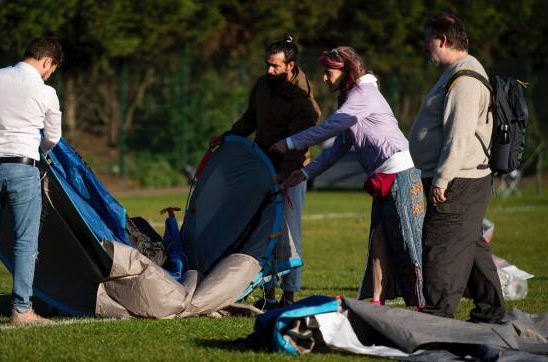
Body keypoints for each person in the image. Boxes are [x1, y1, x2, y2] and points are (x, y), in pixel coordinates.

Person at [271, 47, 425, 308]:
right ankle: (377, 301)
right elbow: (341, 144)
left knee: (409, 240)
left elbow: (331, 127)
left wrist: (290, 142)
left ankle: (425, 302)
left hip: (400, 173)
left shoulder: (363, 94)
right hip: (381, 177)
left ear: (347, 71)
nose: (324, 78)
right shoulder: (351, 98)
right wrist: (306, 172)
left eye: (329, 72)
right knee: (378, 240)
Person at [209, 34, 320, 309]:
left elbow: (298, 145)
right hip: (262, 168)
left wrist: (284, 176)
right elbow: (250, 119)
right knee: (263, 230)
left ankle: (289, 294)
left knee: (288, 233)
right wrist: (229, 136)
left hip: (291, 174)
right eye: (267, 65)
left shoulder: (303, 99)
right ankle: (267, 292)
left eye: (276, 66)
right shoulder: (262, 85)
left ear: (291, 66)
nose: (269, 71)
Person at [410, 13, 505, 322]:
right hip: (464, 178)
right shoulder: (456, 72)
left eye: (429, 41)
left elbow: (459, 134)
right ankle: (491, 311)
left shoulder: (464, 78)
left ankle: (437, 318)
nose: (426, 48)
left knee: (442, 247)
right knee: (470, 245)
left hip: (458, 180)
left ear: (444, 40)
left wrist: (442, 178)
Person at [0, 36, 63, 324]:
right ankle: (21, 309)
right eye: (52, 69)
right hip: (23, 168)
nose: (49, 74)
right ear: (47, 62)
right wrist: (38, 149)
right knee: (25, 242)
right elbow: (53, 138)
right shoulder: (47, 92)